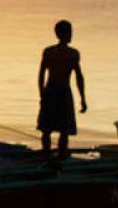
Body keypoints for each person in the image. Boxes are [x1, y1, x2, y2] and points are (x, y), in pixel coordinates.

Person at [37, 19, 87, 157]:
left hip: (54, 92)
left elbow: (78, 77)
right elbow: (42, 74)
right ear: (61, 34)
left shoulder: (54, 52)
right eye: (69, 32)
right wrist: (42, 95)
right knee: (54, 129)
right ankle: (53, 155)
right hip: (59, 92)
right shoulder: (69, 53)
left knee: (53, 129)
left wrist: (42, 94)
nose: (71, 35)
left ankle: (54, 155)